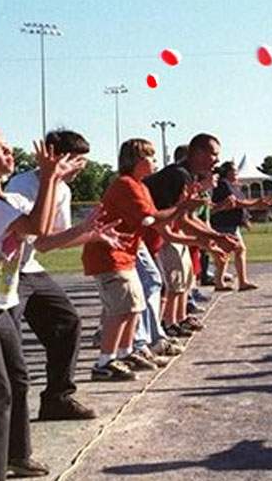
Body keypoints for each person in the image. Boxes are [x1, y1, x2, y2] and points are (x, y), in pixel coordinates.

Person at [0, 131, 71, 480]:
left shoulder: (10, 199)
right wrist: (48, 178)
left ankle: (16, 456)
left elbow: (43, 235)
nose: (9, 151)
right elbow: (33, 226)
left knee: (18, 381)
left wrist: (88, 228)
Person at [82, 139, 204, 381]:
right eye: (150, 157)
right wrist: (181, 208)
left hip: (126, 254)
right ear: (136, 162)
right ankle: (105, 362)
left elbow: (155, 219)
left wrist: (181, 209)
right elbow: (147, 220)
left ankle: (126, 352)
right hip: (110, 255)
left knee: (133, 307)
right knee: (120, 310)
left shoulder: (140, 186)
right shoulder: (125, 185)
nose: (155, 161)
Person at [6, 130, 105, 421]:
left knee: (67, 323)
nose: (81, 167)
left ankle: (57, 399)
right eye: (76, 160)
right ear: (54, 157)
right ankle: (6, 414)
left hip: (30, 268)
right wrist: (83, 231)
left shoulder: (63, 189)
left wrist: (92, 235)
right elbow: (38, 236)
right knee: (5, 342)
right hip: (8, 271)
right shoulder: (22, 184)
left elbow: (50, 243)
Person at [143, 133, 241, 337]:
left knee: (183, 280)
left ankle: (174, 321)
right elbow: (181, 218)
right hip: (154, 235)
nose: (216, 160)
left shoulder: (188, 175)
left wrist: (214, 236)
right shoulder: (179, 175)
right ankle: (163, 327)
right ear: (198, 153)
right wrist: (215, 238)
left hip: (166, 233)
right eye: (213, 154)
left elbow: (186, 216)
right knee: (164, 285)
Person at [210, 161, 271, 291]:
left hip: (232, 225)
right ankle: (222, 282)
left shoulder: (234, 186)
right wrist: (256, 203)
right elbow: (236, 203)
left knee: (236, 251)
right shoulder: (223, 184)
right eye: (234, 171)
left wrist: (245, 220)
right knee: (226, 253)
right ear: (227, 172)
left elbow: (240, 205)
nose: (237, 174)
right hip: (223, 225)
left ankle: (237, 281)